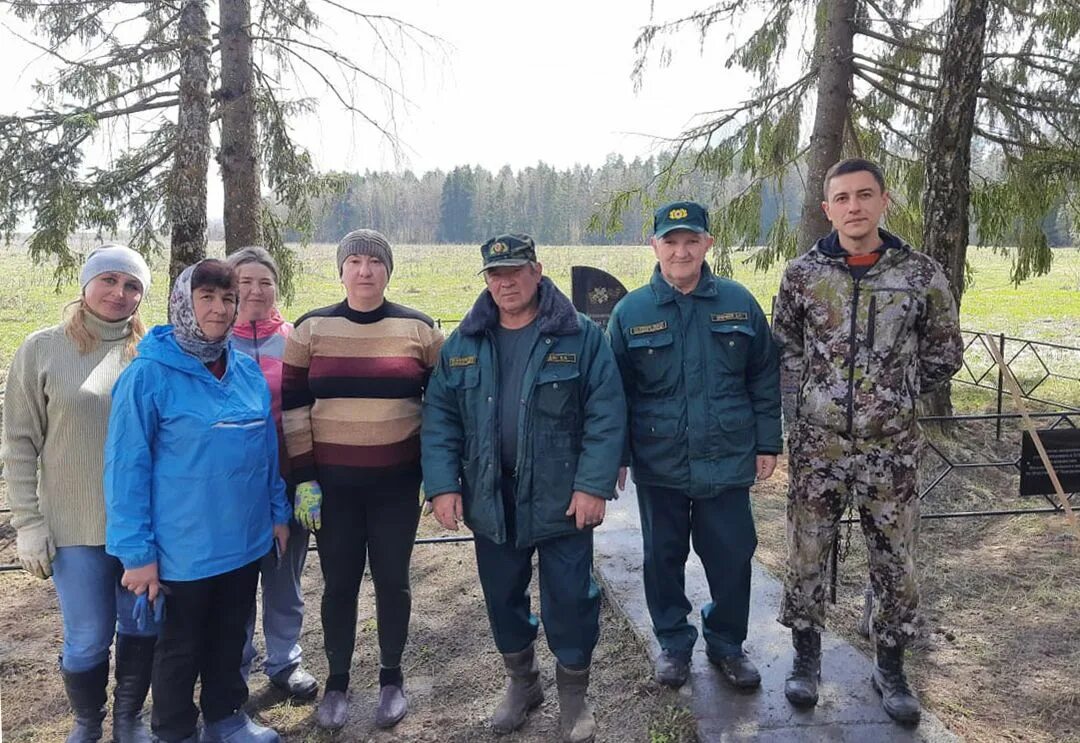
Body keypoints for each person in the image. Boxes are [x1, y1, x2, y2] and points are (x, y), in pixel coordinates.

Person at [772, 158, 963, 724]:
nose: (853, 207)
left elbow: (944, 353)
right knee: (807, 551)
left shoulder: (921, 274)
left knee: (895, 560)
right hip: (818, 445)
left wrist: (893, 395)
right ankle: (806, 661)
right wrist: (811, 400)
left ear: (884, 201)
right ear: (827, 208)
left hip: (892, 449)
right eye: (841, 198)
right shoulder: (802, 274)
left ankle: (892, 667)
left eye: (864, 195)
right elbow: (784, 345)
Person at [422, 233, 626, 743]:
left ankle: (574, 697)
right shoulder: (464, 343)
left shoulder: (579, 336)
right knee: (502, 596)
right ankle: (523, 682)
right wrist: (444, 485)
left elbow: (606, 414)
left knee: (571, 597)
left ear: (537, 271)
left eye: (515, 271)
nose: (505, 282)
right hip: (492, 496)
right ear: (486, 279)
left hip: (563, 495)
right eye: (495, 273)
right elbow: (441, 418)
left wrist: (594, 484)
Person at [105, 259, 291, 743]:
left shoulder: (245, 371)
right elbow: (126, 469)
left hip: (244, 540)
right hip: (181, 550)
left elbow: (266, 449)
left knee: (231, 638)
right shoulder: (148, 376)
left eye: (227, 299)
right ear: (184, 302)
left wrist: (277, 512)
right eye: (207, 297)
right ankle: (176, 731)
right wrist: (137, 554)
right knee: (180, 649)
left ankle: (227, 718)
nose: (219, 308)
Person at [607, 203, 782, 691]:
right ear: (655, 246)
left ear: (708, 244)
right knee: (662, 557)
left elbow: (763, 375)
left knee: (731, 555)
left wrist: (768, 440)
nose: (680, 251)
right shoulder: (631, 312)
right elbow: (612, 392)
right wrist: (616, 457)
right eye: (670, 241)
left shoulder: (738, 302)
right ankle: (674, 644)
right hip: (658, 460)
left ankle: (727, 644)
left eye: (691, 240)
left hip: (726, 458)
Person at [281, 229, 444, 731]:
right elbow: (293, 409)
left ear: (388, 270)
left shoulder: (418, 330)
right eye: (354, 260)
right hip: (334, 490)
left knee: (394, 582)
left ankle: (391, 679)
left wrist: (431, 473)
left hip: (397, 485)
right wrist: (305, 478)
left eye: (375, 261)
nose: (365, 270)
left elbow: (440, 409)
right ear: (341, 269)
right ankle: (336, 682)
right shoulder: (310, 330)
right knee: (339, 586)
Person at [1, 245, 159, 743]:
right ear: (86, 284)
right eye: (109, 280)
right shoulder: (42, 349)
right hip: (74, 528)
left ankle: (129, 721)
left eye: (132, 285)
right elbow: (20, 441)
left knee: (140, 629)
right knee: (88, 638)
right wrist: (28, 522)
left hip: (142, 528)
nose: (120, 293)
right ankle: (88, 721)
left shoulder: (150, 351)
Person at [227, 247, 318, 701]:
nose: (254, 291)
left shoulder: (296, 338)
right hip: (231, 487)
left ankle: (285, 661)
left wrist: (309, 476)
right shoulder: (213, 341)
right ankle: (234, 666)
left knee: (285, 579)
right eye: (244, 282)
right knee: (236, 581)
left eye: (265, 281)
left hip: (289, 478)